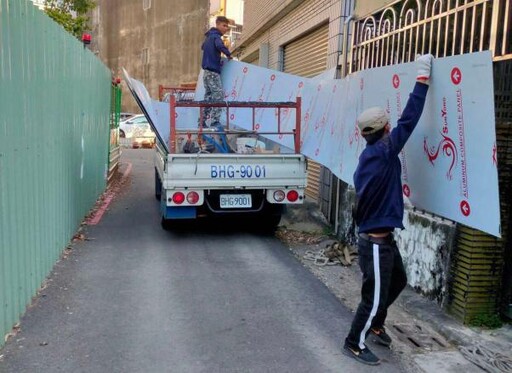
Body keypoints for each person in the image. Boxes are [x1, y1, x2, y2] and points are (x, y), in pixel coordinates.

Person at [343, 54, 434, 366]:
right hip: (376, 244)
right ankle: (354, 342)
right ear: (384, 130)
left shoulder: (369, 156)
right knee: (373, 297)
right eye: (389, 126)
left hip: (381, 239)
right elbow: (409, 120)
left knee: (398, 282)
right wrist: (422, 80)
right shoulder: (383, 152)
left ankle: (377, 324)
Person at [201, 16, 233, 128]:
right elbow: (220, 46)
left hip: (206, 73)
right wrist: (228, 54)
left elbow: (203, 47)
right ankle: (215, 121)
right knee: (218, 95)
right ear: (217, 24)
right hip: (213, 72)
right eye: (224, 26)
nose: (225, 29)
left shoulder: (209, 37)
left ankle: (202, 121)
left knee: (208, 97)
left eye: (227, 27)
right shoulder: (216, 37)